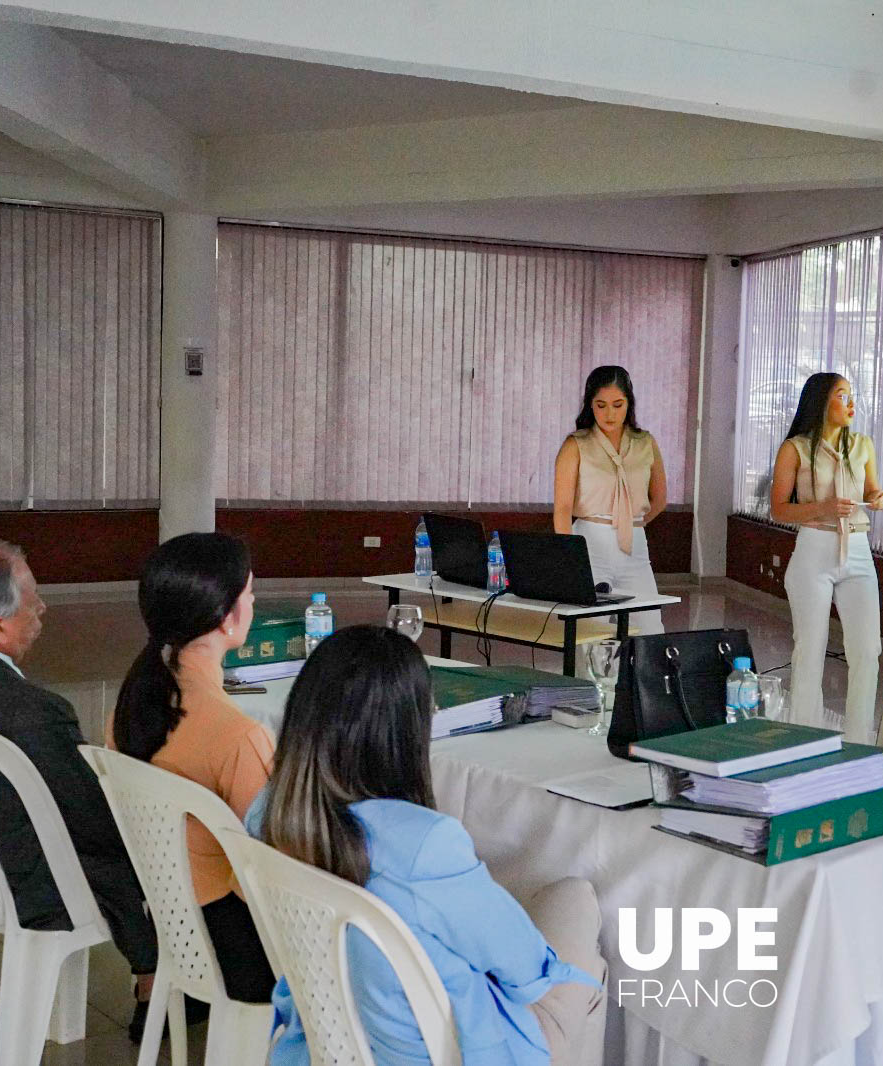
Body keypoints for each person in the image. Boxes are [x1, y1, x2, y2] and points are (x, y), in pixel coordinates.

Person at [250, 625, 605, 1066]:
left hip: (328, 1041)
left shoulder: (272, 814)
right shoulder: (423, 845)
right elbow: (526, 968)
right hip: (447, 1050)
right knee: (577, 905)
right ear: (405, 731)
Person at [0, 540, 160, 1034]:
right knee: (156, 840)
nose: (42, 607)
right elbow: (98, 826)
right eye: (32, 598)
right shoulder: (35, 712)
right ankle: (162, 974)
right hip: (37, 889)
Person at [110, 531, 277, 1006]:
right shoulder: (237, 735)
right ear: (227, 617)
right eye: (250, 595)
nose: (253, 604)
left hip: (170, 923)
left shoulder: (129, 709)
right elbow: (270, 866)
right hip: (233, 949)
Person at [770, 373, 883, 742]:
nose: (851, 404)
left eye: (852, 396)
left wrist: (880, 498)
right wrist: (820, 507)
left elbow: (871, 490)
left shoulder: (863, 445)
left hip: (857, 550)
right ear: (822, 402)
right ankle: (803, 739)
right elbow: (779, 509)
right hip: (814, 549)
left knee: (868, 649)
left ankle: (858, 740)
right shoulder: (794, 448)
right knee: (810, 646)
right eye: (843, 396)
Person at [552, 364, 666, 633]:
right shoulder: (575, 444)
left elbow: (660, 499)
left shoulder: (645, 442)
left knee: (650, 627)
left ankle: (636, 676)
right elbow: (563, 508)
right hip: (590, 544)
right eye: (601, 405)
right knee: (590, 632)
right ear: (590, 405)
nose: (609, 413)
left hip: (634, 547)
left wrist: (630, 522)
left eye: (618, 404)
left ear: (629, 403)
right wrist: (570, 559)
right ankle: (591, 677)